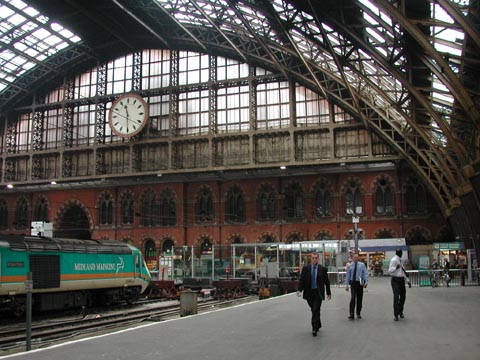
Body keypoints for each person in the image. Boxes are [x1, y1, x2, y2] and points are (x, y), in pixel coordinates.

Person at [297, 252, 332, 336]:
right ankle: (318, 323)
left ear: (318, 259)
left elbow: (327, 282)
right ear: (311, 259)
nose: (314, 259)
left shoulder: (322, 269)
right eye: (313, 258)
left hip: (318, 292)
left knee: (315, 309)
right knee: (314, 309)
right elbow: (302, 280)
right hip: (309, 292)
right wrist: (299, 290)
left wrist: (328, 292)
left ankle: (314, 328)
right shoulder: (306, 269)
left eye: (316, 258)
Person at [388, 249, 411, 321]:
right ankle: (396, 314)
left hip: (401, 280)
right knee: (396, 296)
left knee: (403, 296)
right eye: (401, 253)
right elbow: (390, 270)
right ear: (400, 253)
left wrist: (407, 280)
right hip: (395, 279)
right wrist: (395, 267)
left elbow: (402, 271)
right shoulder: (394, 260)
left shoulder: (400, 260)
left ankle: (400, 311)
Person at [345, 253, 368, 320]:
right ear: (352, 258)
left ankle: (358, 313)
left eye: (357, 257)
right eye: (355, 257)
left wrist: (366, 282)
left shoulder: (362, 265)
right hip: (353, 283)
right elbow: (348, 276)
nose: (356, 259)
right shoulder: (350, 266)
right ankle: (351, 314)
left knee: (359, 298)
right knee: (353, 298)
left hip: (360, 283)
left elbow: (365, 273)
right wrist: (346, 285)